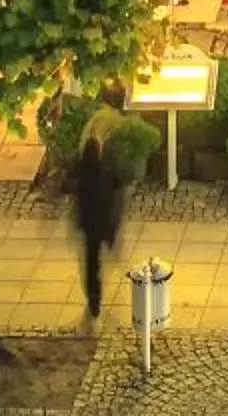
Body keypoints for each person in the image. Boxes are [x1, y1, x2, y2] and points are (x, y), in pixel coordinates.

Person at [72, 107, 131, 322]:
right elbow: (116, 187)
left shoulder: (86, 167)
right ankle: (95, 297)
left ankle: (94, 299)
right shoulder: (104, 168)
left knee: (92, 260)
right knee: (97, 256)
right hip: (101, 217)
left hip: (91, 220)